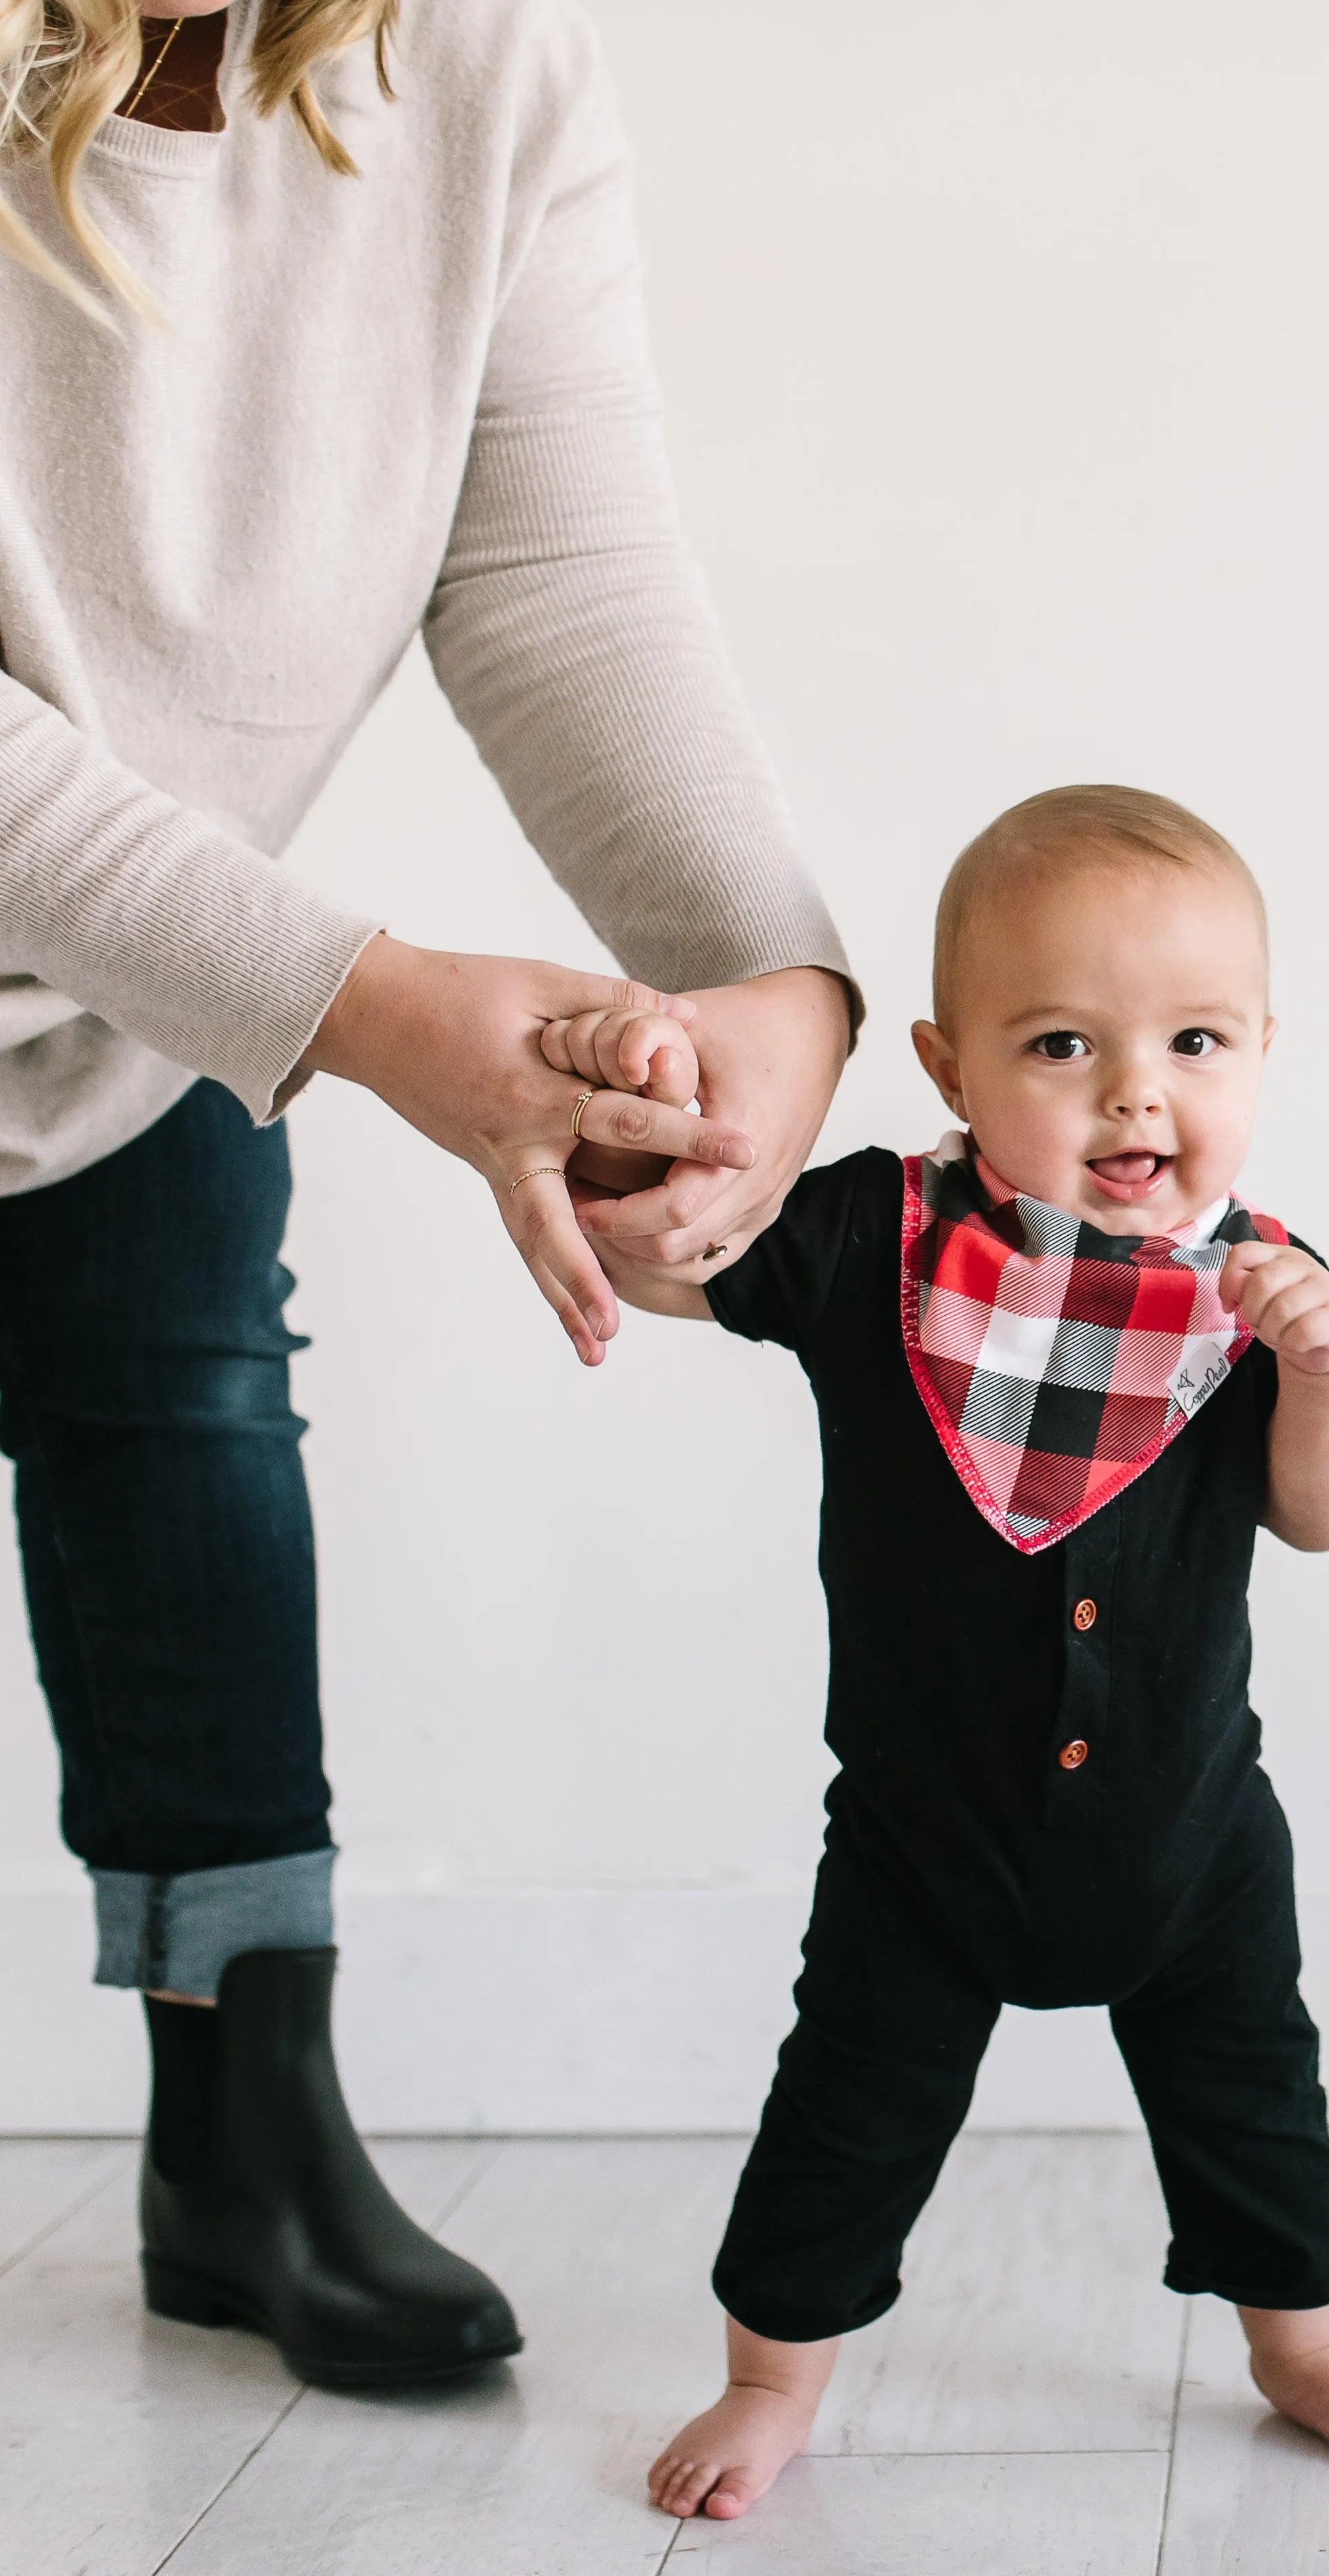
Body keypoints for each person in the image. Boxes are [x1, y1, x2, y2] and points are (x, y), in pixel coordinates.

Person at [0, 0, 852, 2386]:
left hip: (120, 1001)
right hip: (204, 964)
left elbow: (560, 566)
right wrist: (366, 1009)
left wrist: (763, 987)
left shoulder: (477, 72)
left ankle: (244, 2131)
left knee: (191, 1475)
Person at [544, 784, 1329, 2520]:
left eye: (1193, 1038)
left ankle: (1300, 2337)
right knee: (849, 2105)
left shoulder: (1263, 1287)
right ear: (951, 1068)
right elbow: (672, 1256)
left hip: (1188, 1838)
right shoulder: (872, 1240)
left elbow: (1323, 1517)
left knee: (1254, 2097)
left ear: (1262, 1047)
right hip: (921, 1839)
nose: (1136, 1091)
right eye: (1060, 1042)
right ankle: (768, 2373)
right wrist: (621, 1141)